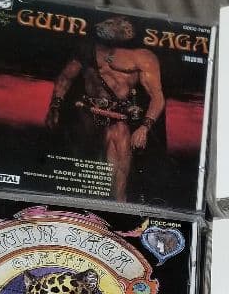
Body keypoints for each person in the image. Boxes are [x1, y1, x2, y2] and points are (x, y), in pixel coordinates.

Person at [44, 16, 165, 202]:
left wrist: (144, 128)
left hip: (117, 120)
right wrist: (55, 105)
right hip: (85, 115)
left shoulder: (142, 57)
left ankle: (117, 208)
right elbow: (65, 78)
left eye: (113, 24)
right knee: (75, 177)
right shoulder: (87, 49)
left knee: (118, 182)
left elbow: (157, 97)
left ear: (127, 30)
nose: (107, 26)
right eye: (107, 22)